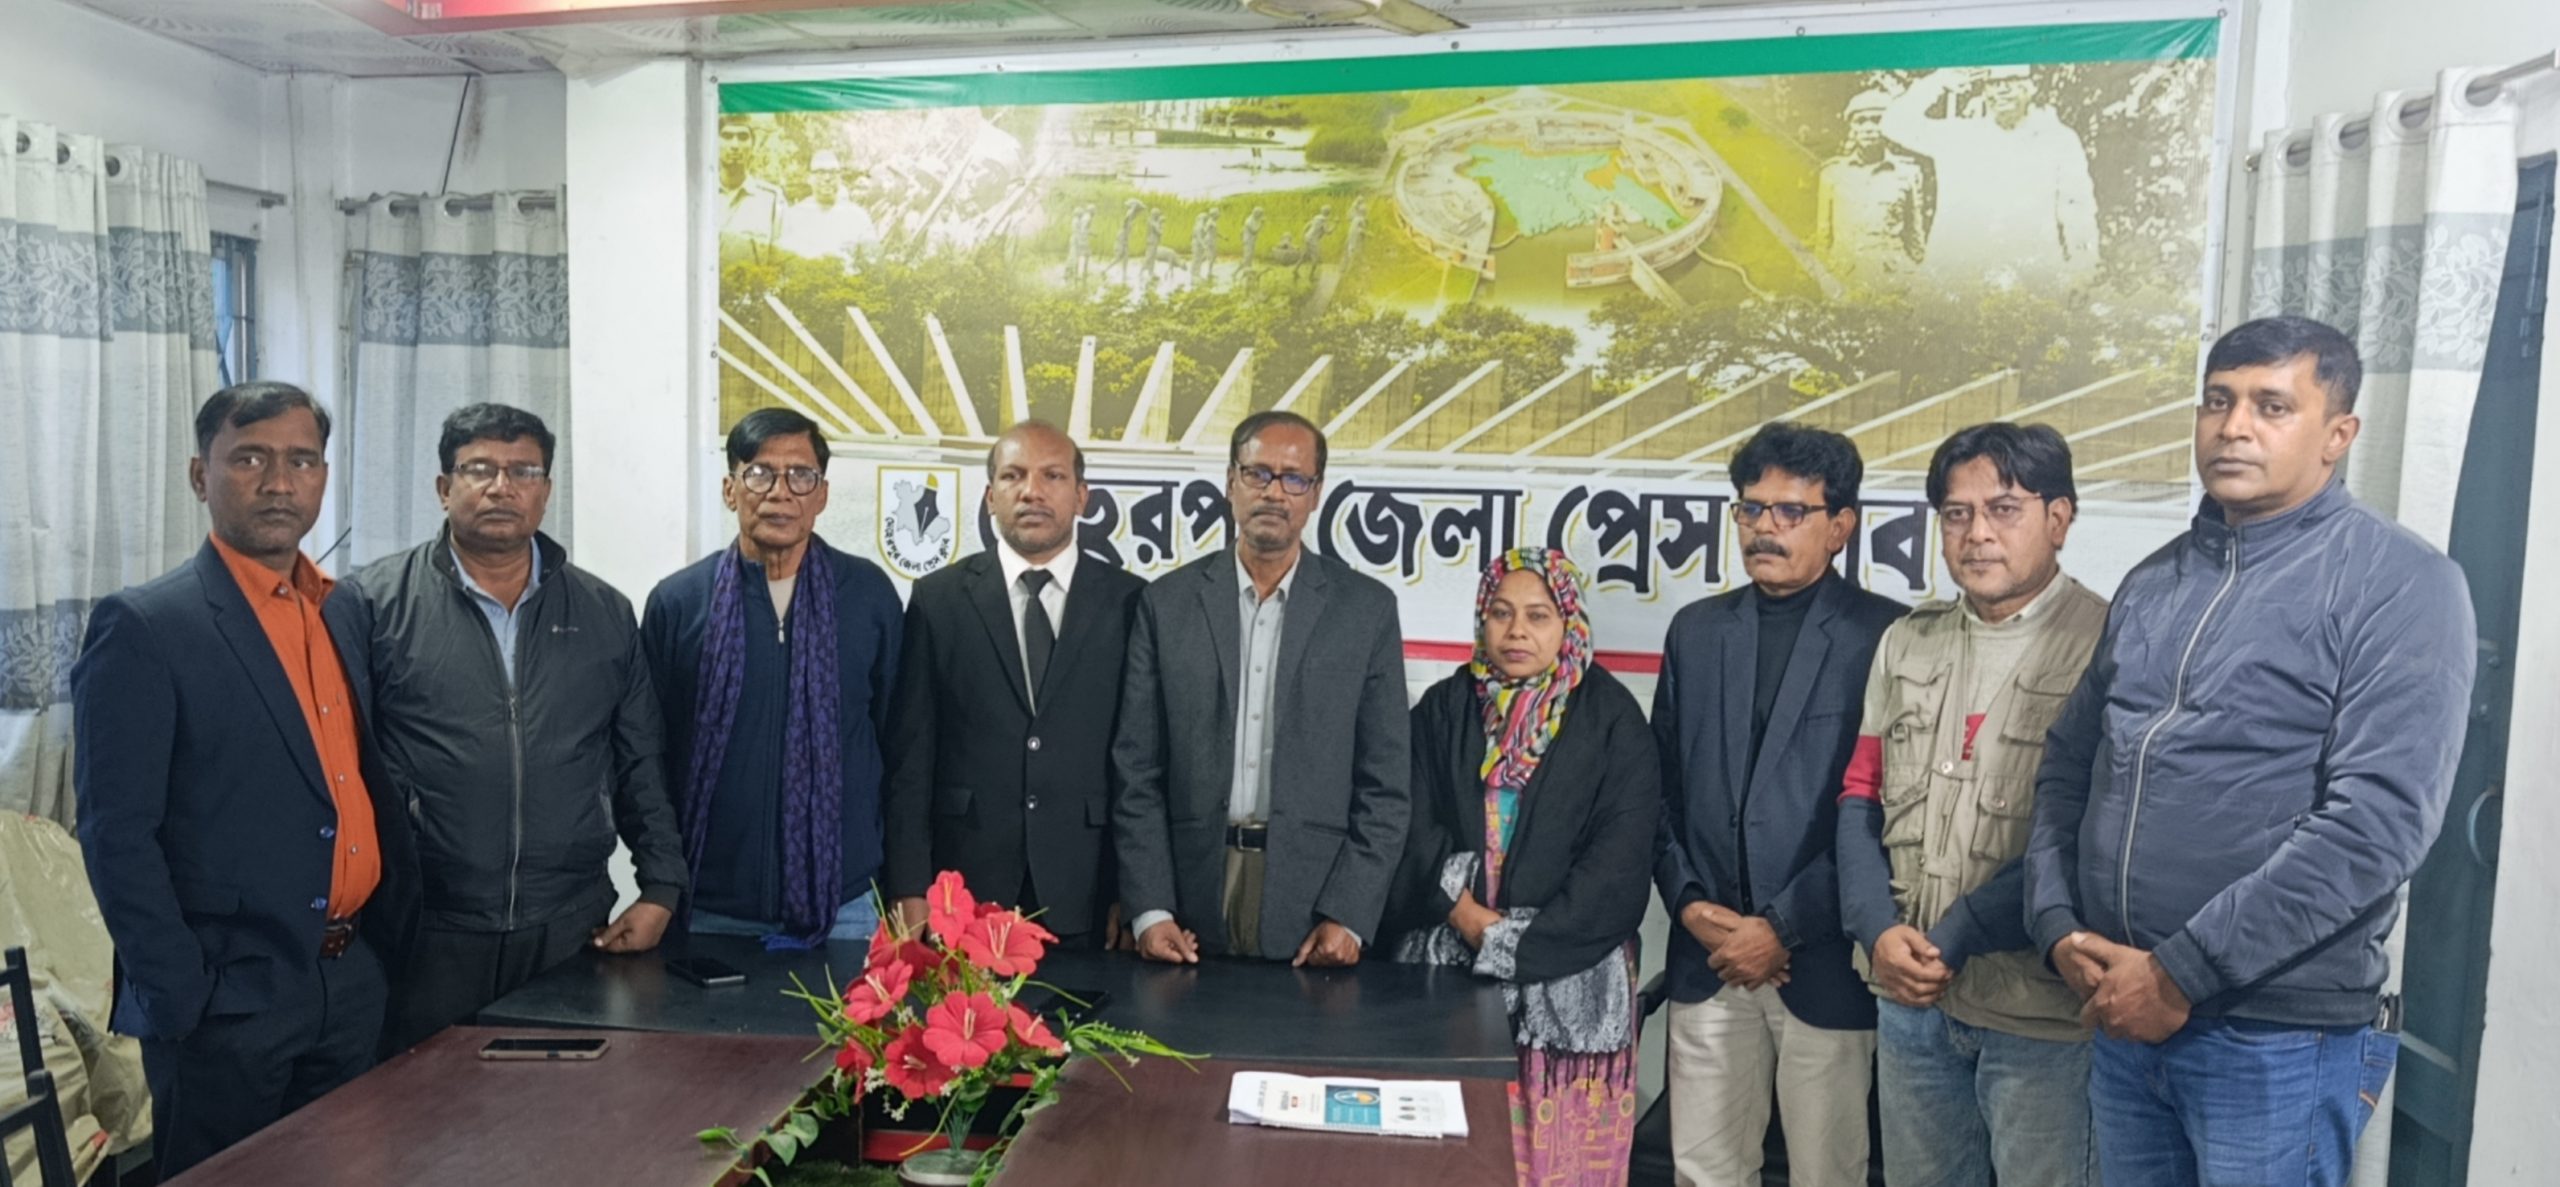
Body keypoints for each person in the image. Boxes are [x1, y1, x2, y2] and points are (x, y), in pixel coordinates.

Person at [2025, 317, 2476, 1186]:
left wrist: (2180, 973)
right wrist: (2058, 927)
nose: (2233, 427)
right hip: (2119, 1008)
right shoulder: (2154, 581)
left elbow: (2375, 827)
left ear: (2338, 434)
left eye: (2272, 406)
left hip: (2274, 1035)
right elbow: (2069, 765)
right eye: (2217, 401)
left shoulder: (2402, 584)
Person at [72, 383, 419, 1177]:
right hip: (229, 1001)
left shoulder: (341, 610)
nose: (279, 482)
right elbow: (116, 834)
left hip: (350, 978)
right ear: (201, 475)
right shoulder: (147, 624)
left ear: (323, 476)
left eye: (302, 461)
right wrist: (182, 994)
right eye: (250, 459)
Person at [340, 403, 688, 1047]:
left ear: (546, 491)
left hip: (569, 924)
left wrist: (661, 886)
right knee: (423, 1103)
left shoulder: (604, 612)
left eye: (523, 471)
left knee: (558, 1102)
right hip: (425, 929)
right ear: (444, 488)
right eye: (480, 469)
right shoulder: (372, 604)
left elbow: (639, 760)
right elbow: (344, 764)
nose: (502, 487)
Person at [1834, 423, 2105, 1187]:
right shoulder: (1906, 641)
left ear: (2059, 518)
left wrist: (1958, 932)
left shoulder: (2109, 643)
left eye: (2004, 509)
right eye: (1957, 513)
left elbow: (2094, 835)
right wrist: (1876, 929)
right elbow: (1858, 798)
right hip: (1909, 997)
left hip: (2040, 1014)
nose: (1977, 532)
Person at [1654, 423, 1907, 1187]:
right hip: (1709, 957)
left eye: (1791, 510)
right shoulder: (1697, 631)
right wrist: (1689, 905)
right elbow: (1656, 792)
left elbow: (1889, 813)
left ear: (1841, 525)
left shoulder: (1887, 636)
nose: (1765, 527)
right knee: (1703, 1171)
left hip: (1822, 963)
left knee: (1828, 1172)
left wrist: (1781, 927)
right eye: (1751, 507)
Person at [1388, 549, 1658, 1186]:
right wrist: (1466, 916)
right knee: (1451, 1161)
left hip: (1571, 980)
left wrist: (1518, 942)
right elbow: (1406, 821)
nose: (1516, 632)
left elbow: (1619, 860)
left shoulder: (1613, 720)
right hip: (1451, 970)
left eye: (1538, 616)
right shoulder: (1444, 709)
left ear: (1569, 625)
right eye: (1501, 613)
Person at [1114, 410, 1411, 965]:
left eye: (1294, 478)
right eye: (1258, 474)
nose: (1274, 492)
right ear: (1230, 482)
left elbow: (1386, 785)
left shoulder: (1365, 611)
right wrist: (1150, 908)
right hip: (1188, 898)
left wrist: (1349, 912)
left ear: (1316, 493)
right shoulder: (1167, 604)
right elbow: (1137, 770)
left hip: (1313, 903)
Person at [642, 408, 904, 947]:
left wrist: (904, 881)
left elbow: (901, 744)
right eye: (759, 473)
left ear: (822, 495)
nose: (780, 492)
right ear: (730, 489)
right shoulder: (678, 602)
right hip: (707, 905)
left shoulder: (868, 595)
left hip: (846, 905)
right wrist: (660, 882)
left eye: (800, 476)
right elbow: (647, 753)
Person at [883, 422, 1145, 947]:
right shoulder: (939, 599)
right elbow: (911, 757)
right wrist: (909, 883)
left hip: (1090, 890)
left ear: (1082, 496)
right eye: (1013, 476)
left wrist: (1137, 891)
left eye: (1053, 476)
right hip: (962, 888)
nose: (1032, 491)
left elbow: (1141, 759)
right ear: (989, 496)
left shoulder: (1130, 601)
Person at [1881, 67, 2098, 287]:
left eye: (2011, 81)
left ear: (2031, 86)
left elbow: (2077, 208)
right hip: (1959, 278)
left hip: (2029, 277)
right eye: (1993, 84)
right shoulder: (1958, 137)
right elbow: (1894, 124)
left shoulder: (2057, 140)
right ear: (1984, 90)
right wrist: (1940, 80)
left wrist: (2083, 269)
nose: (2001, 90)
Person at [1813, 90, 1929, 288]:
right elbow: (1823, 238)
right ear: (1852, 127)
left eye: (1877, 120)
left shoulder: (1907, 173)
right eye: (1860, 121)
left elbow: (1915, 238)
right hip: (1845, 278)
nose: (1868, 128)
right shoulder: (1832, 173)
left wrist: (1915, 279)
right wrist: (1825, 281)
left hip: (1891, 279)